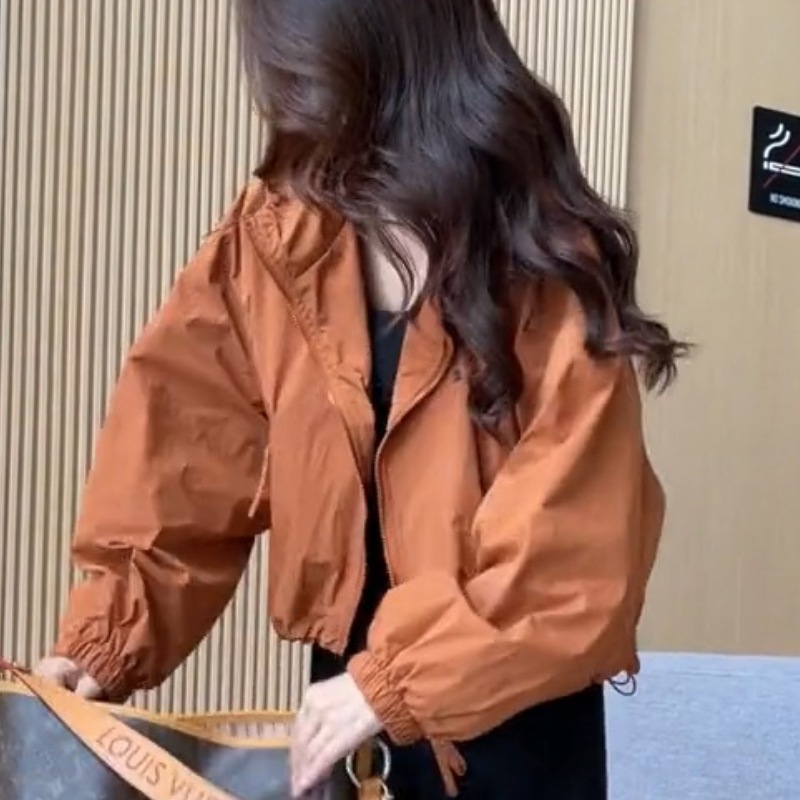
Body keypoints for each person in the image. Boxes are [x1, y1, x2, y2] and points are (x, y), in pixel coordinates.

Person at [34, 0, 686, 798]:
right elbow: (181, 455)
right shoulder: (274, 236)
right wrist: (102, 643)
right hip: (348, 723)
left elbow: (572, 555)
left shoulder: (541, 253)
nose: (285, 94)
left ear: (374, 55)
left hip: (511, 730)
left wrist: (394, 683)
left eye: (300, 68)